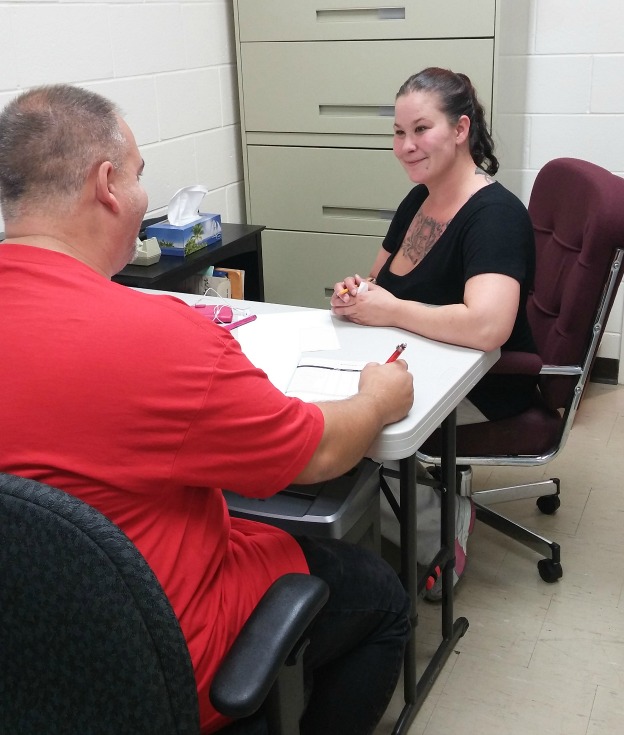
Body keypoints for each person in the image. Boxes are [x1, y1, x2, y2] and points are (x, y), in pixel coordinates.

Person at [0, 85, 415, 735]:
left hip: (21, 659)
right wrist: (378, 396)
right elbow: (320, 454)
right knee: (380, 593)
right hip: (152, 663)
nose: (143, 198)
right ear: (107, 185)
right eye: (140, 177)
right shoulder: (161, 337)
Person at [331, 67, 537, 600]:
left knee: (354, 441)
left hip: (484, 382)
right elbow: (380, 283)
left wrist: (392, 310)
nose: (406, 146)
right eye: (399, 133)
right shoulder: (417, 200)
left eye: (421, 130)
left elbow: (489, 325)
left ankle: (443, 529)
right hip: (417, 357)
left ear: (461, 128)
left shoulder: (495, 215)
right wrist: (356, 295)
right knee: (321, 419)